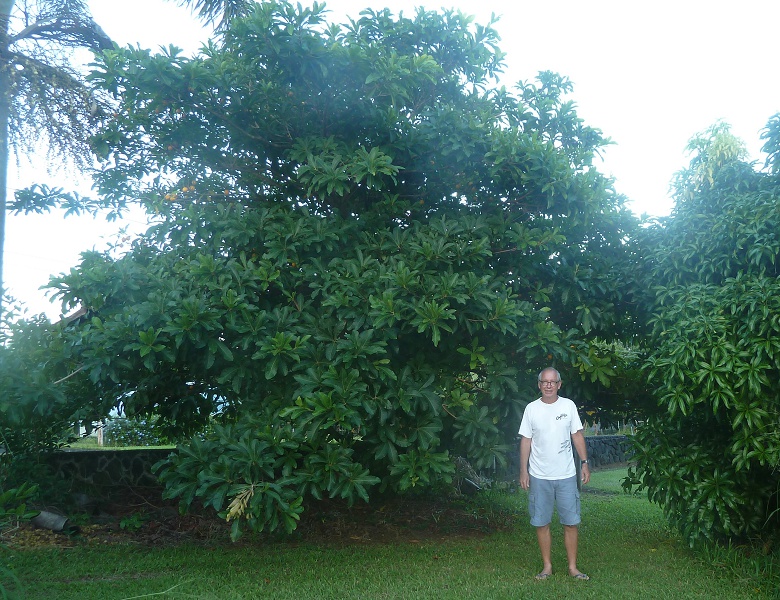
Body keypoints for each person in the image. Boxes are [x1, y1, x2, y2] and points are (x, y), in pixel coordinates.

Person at [518, 367, 591, 581]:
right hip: (539, 476)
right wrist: (524, 470)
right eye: (544, 381)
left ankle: (573, 568)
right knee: (541, 523)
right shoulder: (531, 409)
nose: (548, 385)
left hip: (567, 475)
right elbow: (526, 440)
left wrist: (584, 463)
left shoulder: (568, 406)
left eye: (553, 381)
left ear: (559, 384)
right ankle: (547, 566)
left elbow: (577, 435)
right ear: (539, 385)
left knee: (570, 522)